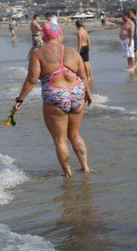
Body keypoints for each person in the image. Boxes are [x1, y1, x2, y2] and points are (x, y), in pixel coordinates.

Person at [12, 21, 91, 176]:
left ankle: (68, 174)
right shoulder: (73, 52)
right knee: (75, 135)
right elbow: (83, 76)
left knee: (60, 139)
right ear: (59, 35)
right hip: (76, 94)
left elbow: (31, 80)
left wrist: (19, 100)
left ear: (43, 36)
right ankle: (86, 168)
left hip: (56, 95)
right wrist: (87, 93)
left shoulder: (38, 54)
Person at [75, 20, 93, 85]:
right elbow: (88, 40)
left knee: (85, 63)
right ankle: (91, 76)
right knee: (87, 62)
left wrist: (78, 51)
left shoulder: (79, 32)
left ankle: (88, 77)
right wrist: (89, 48)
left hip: (82, 48)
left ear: (76, 25)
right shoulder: (85, 31)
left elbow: (79, 42)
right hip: (86, 47)